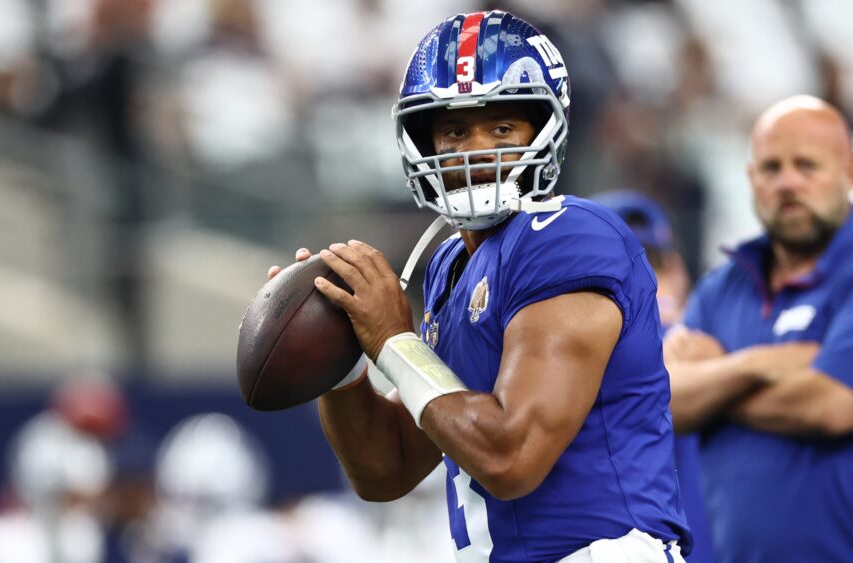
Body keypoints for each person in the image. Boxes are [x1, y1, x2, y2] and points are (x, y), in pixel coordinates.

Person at [268, 11, 691, 563]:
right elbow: (386, 468)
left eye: (501, 129)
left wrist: (394, 341)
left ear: (545, 130)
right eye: (454, 130)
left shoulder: (567, 235)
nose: (476, 151)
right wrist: (339, 358)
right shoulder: (450, 264)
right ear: (423, 143)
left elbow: (511, 456)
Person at [665, 95, 853, 562]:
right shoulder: (720, 290)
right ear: (750, 178)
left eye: (807, 166)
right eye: (771, 167)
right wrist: (760, 364)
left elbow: (832, 406)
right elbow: (667, 402)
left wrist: (715, 382)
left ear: (852, 172)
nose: (788, 183)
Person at [593, 190, 714, 563]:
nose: (643, 280)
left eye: (655, 262)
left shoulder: (703, 338)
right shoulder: (577, 358)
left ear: (678, 270)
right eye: (623, 266)